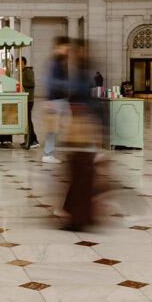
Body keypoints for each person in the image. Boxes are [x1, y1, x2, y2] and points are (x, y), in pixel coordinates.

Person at [61, 41, 101, 231]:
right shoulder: (81, 72)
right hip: (82, 126)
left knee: (81, 173)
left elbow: (80, 97)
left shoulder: (82, 74)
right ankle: (81, 214)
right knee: (81, 173)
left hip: (82, 127)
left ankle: (79, 216)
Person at [42, 37, 71, 164]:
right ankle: (47, 153)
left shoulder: (60, 62)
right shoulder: (54, 63)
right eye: (65, 48)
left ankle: (50, 152)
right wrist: (49, 100)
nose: (66, 50)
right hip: (55, 100)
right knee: (52, 129)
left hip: (60, 100)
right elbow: (49, 81)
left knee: (59, 127)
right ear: (59, 47)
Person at [20, 56, 39, 148]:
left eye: (18, 63)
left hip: (29, 99)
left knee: (28, 121)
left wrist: (21, 83)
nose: (17, 66)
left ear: (23, 63)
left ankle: (33, 141)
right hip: (25, 99)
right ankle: (30, 140)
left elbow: (32, 83)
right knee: (27, 121)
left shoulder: (28, 72)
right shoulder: (23, 72)